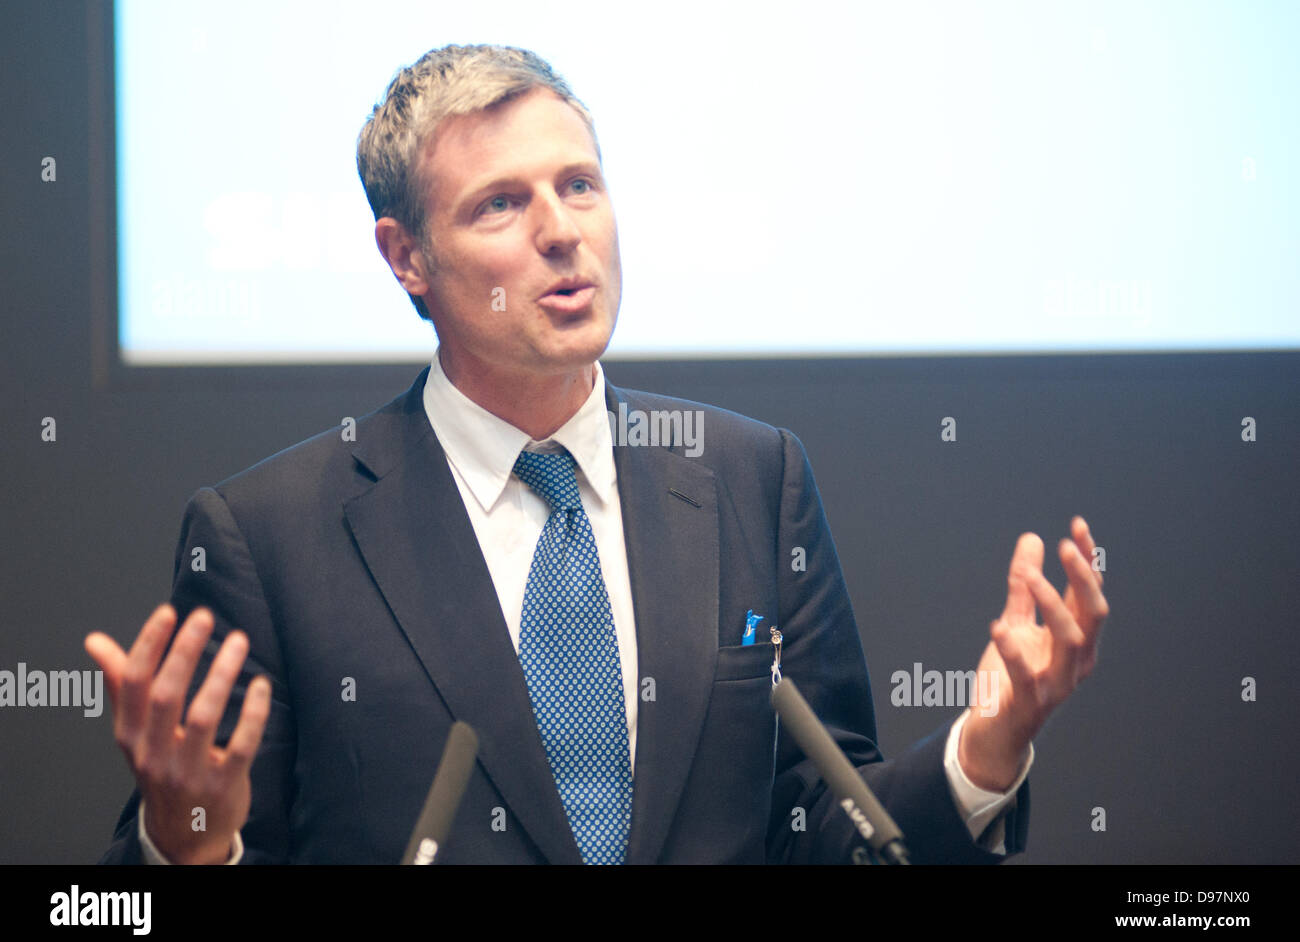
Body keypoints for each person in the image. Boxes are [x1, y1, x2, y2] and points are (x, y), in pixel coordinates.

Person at [87, 44, 1108, 864]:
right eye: (500, 204)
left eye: (580, 185)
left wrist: (985, 745)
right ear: (405, 258)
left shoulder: (752, 478)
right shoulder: (271, 535)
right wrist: (192, 841)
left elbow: (828, 828)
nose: (561, 231)